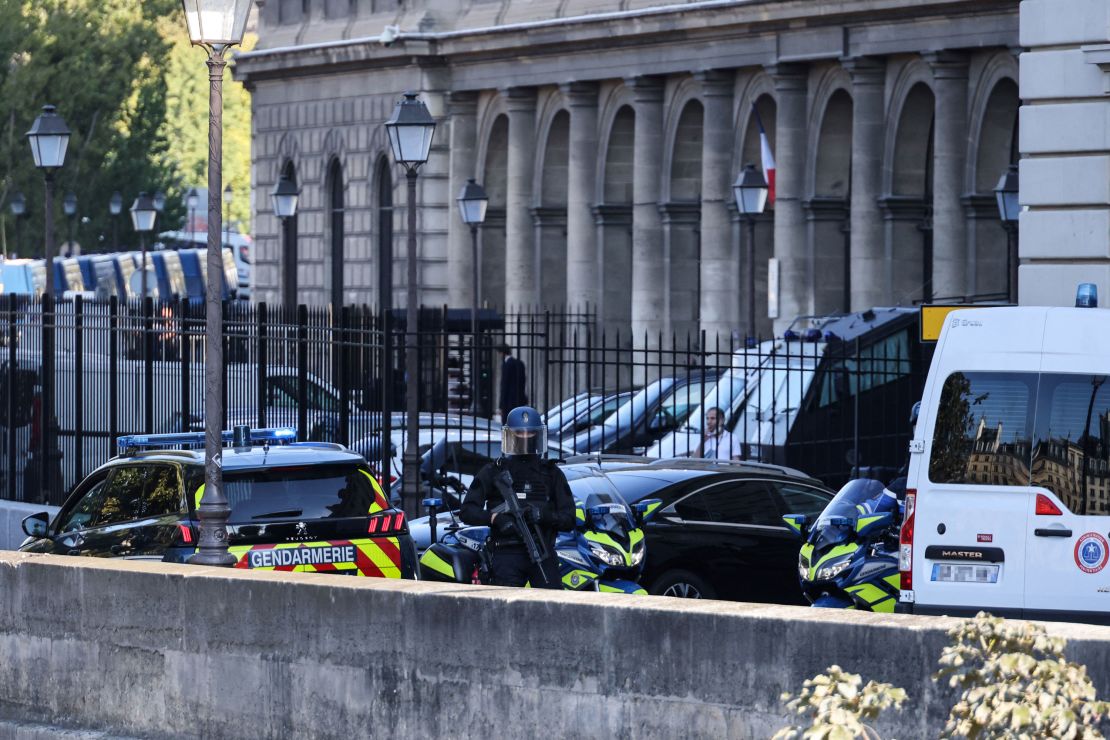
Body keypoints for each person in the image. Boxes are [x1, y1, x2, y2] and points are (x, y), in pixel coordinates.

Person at [460, 405, 574, 588]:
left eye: (529, 435)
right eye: (519, 434)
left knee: (552, 608)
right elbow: (467, 511)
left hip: (541, 552)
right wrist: (495, 518)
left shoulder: (551, 473)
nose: (525, 439)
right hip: (506, 553)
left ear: (537, 436)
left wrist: (545, 516)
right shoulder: (494, 471)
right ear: (510, 436)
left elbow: (569, 519)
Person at [496, 342, 528, 421]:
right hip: (520, 401)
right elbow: (523, 382)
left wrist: (501, 406)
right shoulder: (520, 363)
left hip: (508, 403)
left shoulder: (506, 365)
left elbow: (504, 386)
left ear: (502, 353)